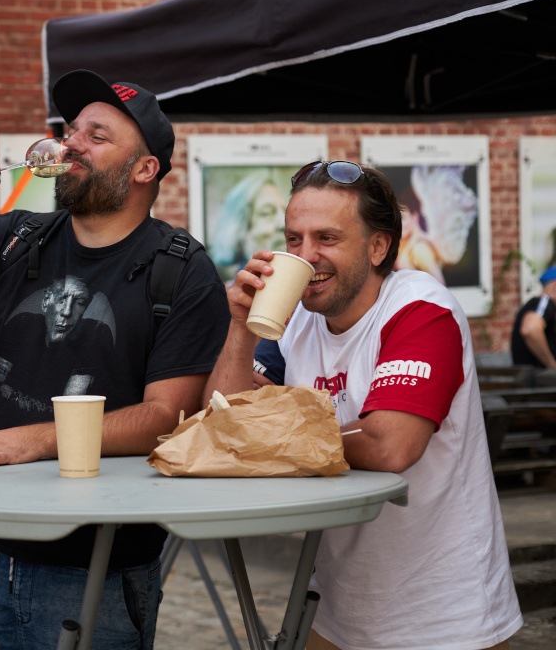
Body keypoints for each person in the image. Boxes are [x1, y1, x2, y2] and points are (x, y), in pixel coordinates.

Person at [0, 69, 229, 650]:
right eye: (71, 131)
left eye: (97, 136)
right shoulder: (14, 237)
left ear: (144, 169)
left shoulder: (182, 271)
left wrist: (35, 438)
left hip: (96, 569)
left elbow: (168, 419)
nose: (71, 144)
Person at [207, 160, 521, 650]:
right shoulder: (297, 319)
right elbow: (223, 420)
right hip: (335, 605)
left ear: (377, 247)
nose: (306, 256)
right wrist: (240, 328)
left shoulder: (421, 309)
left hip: (444, 614)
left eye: (326, 238)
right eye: (294, 240)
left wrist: (274, 430)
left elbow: (390, 444)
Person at [209, 172, 287, 280]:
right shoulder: (229, 289)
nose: (284, 223)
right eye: (268, 213)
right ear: (240, 228)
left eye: (285, 212)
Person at [510, 265, 556, 369]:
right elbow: (530, 329)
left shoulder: (544, 309)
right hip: (539, 376)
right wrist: (551, 365)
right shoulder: (544, 302)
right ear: (555, 288)